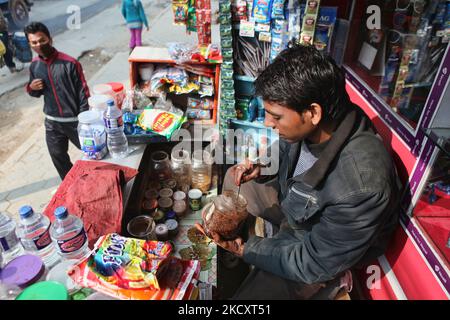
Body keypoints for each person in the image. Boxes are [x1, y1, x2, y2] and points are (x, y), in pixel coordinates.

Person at [197, 43, 401, 299]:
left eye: (276, 117)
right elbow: (284, 150)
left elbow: (313, 261)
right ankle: (247, 242)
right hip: (297, 203)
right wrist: (261, 167)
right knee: (232, 179)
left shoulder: (360, 188)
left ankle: (327, 280)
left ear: (313, 113)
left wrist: (246, 250)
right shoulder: (322, 120)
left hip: (314, 247)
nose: (267, 123)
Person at [25, 22, 90, 180]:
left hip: (75, 121)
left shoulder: (70, 63)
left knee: (93, 153)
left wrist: (84, 121)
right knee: (58, 157)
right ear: (30, 44)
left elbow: (83, 93)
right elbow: (34, 93)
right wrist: (32, 87)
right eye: (34, 43)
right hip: (52, 123)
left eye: (42, 40)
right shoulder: (35, 66)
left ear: (50, 39)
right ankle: (71, 186)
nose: (39, 45)